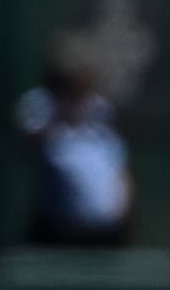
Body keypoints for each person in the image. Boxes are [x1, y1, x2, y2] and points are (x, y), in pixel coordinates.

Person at [16, 35, 133, 246]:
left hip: (106, 234)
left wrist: (122, 207)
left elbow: (118, 166)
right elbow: (31, 137)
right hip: (58, 232)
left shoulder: (100, 109)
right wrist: (64, 113)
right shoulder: (41, 105)